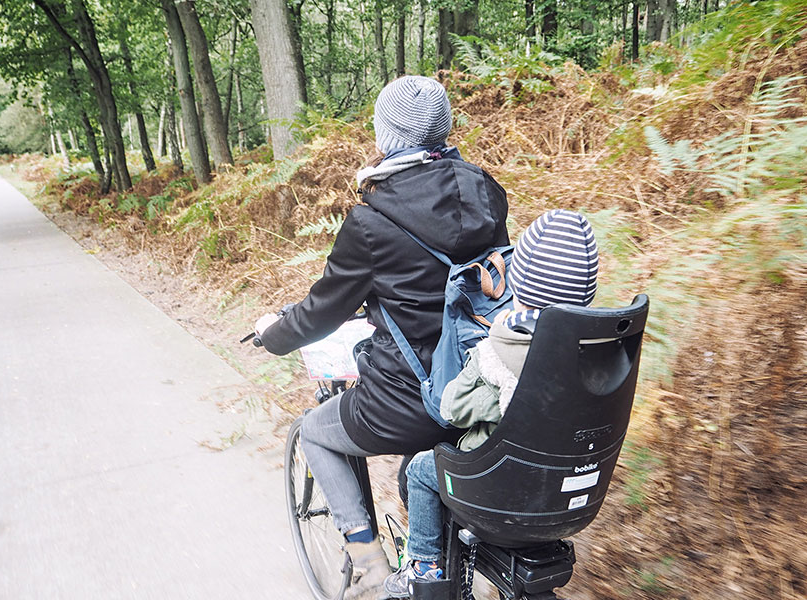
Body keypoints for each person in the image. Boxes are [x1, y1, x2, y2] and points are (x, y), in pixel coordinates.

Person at [254, 75, 510, 599]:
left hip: (406, 399)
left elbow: (321, 312)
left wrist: (271, 336)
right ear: (444, 129)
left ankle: (370, 566)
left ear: (385, 135)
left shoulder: (371, 221)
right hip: (478, 386)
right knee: (427, 462)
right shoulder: (487, 191)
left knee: (314, 433)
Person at [380, 209, 600, 598]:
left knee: (420, 470)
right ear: (587, 290)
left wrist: (493, 398)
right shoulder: (599, 352)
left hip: (497, 490)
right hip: (569, 496)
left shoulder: (498, 349)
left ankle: (424, 568)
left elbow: (451, 407)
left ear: (521, 281)